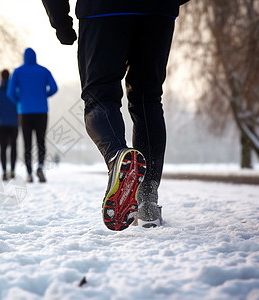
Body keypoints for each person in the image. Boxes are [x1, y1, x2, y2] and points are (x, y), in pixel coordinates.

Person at [41, 0, 190, 229]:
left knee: (99, 97)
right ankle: (147, 201)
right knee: (147, 99)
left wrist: (61, 21)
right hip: (158, 13)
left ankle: (117, 156)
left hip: (102, 10)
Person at [7, 47, 58, 183]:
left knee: (27, 143)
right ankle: (40, 166)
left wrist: (20, 100)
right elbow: (54, 88)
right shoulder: (44, 70)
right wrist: (44, 95)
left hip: (24, 112)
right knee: (41, 141)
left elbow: (10, 93)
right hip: (41, 111)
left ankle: (29, 174)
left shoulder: (18, 72)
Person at [0, 69, 19, 181]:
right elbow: (19, 104)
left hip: (1, 123)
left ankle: (4, 171)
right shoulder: (15, 91)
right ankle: (12, 170)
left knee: (3, 148)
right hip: (14, 123)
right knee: (14, 147)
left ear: (1, 77)